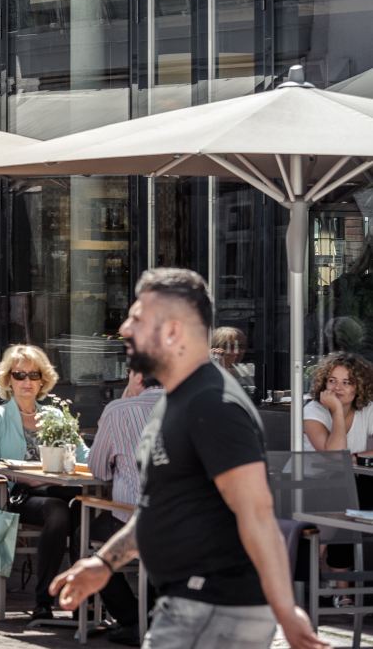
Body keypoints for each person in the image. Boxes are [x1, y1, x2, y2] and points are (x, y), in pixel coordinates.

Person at [49, 267, 326, 649]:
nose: (125, 328)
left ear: (174, 331)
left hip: (219, 609)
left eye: (139, 318)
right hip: (185, 605)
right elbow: (159, 506)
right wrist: (106, 562)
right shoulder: (173, 402)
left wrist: (285, 609)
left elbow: (257, 513)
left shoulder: (214, 405)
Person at [0, 343, 90, 622]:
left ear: (43, 380)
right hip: (20, 496)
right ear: (8, 379)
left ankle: (84, 598)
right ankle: (44, 601)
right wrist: (17, 475)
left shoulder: (56, 416)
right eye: (20, 375)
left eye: (34, 375)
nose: (27, 381)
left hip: (59, 491)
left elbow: (84, 455)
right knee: (58, 512)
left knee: (83, 510)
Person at [86, 370, 165, 646]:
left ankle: (132, 619)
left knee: (83, 535)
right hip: (187, 519)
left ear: (138, 375)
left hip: (133, 517)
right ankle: (153, 616)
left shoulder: (118, 411)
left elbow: (98, 469)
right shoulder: (194, 406)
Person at [211, 325, 256, 395]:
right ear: (215, 348)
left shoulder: (249, 370)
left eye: (241, 347)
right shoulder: (206, 373)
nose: (237, 352)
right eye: (230, 347)